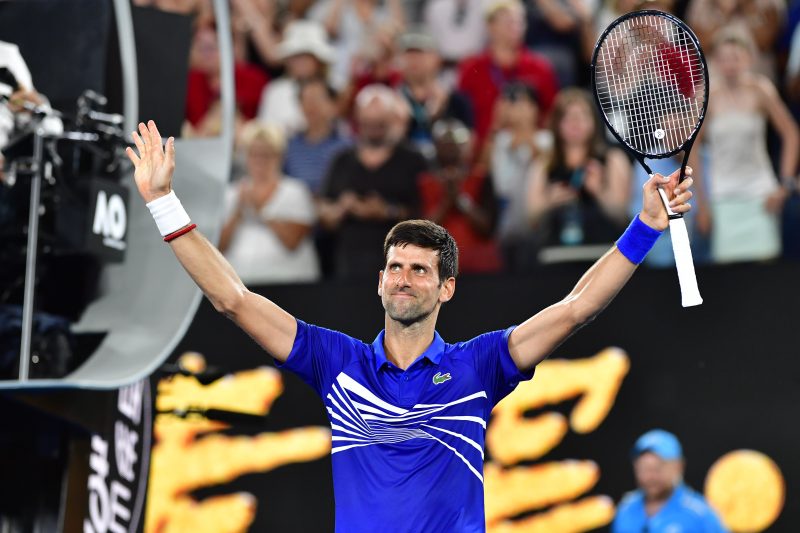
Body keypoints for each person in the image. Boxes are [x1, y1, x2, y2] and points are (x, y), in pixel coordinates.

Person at [126, 116, 694, 532]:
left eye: (420, 270)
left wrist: (645, 226)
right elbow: (233, 299)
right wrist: (162, 202)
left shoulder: (478, 366)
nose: (404, 279)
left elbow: (575, 308)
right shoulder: (336, 362)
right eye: (395, 268)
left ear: (446, 288)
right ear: (379, 281)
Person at [691, 28, 799, 263]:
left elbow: (791, 133)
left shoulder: (761, 90)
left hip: (761, 196)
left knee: (765, 270)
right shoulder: (706, 96)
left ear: (749, 58)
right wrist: (702, 203)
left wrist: (785, 184)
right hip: (722, 197)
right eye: (724, 58)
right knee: (729, 274)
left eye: (736, 57)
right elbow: (692, 152)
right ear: (715, 61)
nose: (730, 64)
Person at [317, 85, 426, 279]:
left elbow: (427, 214)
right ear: (358, 120)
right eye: (368, 122)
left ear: (393, 119)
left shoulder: (413, 160)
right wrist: (341, 208)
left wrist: (387, 211)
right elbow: (324, 210)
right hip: (349, 264)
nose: (373, 129)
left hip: (402, 266)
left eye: (380, 123)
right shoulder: (342, 160)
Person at [527, 88, 631, 258]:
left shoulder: (613, 159)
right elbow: (530, 219)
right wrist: (549, 201)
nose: (575, 123)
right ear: (557, 123)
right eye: (568, 117)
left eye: (582, 115)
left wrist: (599, 191)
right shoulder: (543, 164)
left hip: (603, 255)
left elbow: (622, 216)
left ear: (594, 121)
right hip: (554, 255)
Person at [218, 122, 320, 284]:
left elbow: (292, 241)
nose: (259, 160)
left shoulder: (295, 191)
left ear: (279, 157)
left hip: (289, 282)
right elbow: (219, 246)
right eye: (253, 154)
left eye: (266, 154)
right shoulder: (231, 193)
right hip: (241, 285)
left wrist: (261, 209)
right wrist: (238, 210)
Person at [457, 0, 559, 152]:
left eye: (519, 21)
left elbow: (552, 115)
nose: (515, 26)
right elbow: (462, 119)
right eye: (507, 21)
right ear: (490, 26)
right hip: (483, 151)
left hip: (531, 150)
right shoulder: (471, 68)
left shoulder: (540, 68)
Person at [418, 119, 502, 273]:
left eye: (456, 143)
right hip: (436, 267)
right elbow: (420, 234)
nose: (450, 148)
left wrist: (460, 200)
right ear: (436, 147)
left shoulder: (482, 179)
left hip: (479, 266)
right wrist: (446, 202)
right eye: (445, 143)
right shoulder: (424, 183)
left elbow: (488, 227)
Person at [613, 429, 728, 533]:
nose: (650, 476)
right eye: (644, 468)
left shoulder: (700, 514)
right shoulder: (626, 508)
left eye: (658, 468)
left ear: (679, 466)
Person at [395, 29, 474, 161]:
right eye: (409, 54)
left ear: (437, 58)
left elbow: (468, 150)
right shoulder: (390, 101)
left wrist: (440, 117)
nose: (414, 60)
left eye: (421, 54)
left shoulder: (457, 102)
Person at [256, 20, 334, 137]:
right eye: (296, 57)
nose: (300, 62)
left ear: (318, 61)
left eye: (306, 56)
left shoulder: (333, 88)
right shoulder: (275, 91)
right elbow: (265, 131)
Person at [283, 78, 351, 196]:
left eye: (316, 99)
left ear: (333, 105)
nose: (311, 106)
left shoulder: (347, 147)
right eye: (305, 100)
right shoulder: (289, 146)